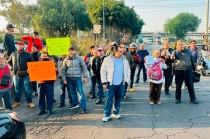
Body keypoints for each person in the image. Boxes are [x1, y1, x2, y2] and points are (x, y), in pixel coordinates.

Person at [101, 45, 130, 122]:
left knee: (118, 99)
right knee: (109, 99)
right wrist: (104, 82)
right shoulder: (107, 59)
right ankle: (107, 114)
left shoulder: (124, 60)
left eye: (122, 51)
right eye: (120, 51)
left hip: (121, 83)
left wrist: (126, 81)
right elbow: (103, 71)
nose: (122, 53)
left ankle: (116, 112)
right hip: (110, 84)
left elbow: (128, 71)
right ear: (115, 51)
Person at [8, 41, 35, 108]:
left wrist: (29, 69)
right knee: (17, 89)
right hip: (16, 75)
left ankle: (30, 102)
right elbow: (9, 62)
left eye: (21, 45)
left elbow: (32, 63)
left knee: (27, 89)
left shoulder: (28, 54)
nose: (20, 46)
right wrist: (12, 69)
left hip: (26, 75)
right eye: (19, 45)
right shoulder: (13, 54)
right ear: (17, 46)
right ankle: (17, 102)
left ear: (24, 46)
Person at [61, 46, 88, 114]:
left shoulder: (79, 58)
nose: (71, 52)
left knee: (80, 92)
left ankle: (83, 107)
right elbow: (63, 70)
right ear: (68, 52)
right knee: (72, 92)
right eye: (70, 51)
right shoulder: (66, 59)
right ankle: (75, 104)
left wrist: (85, 76)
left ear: (75, 51)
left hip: (77, 78)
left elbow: (84, 67)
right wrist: (64, 79)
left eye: (72, 51)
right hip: (69, 79)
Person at [171, 40, 198, 104]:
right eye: (179, 44)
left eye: (182, 44)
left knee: (190, 86)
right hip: (179, 71)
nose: (181, 45)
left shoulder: (189, 51)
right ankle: (178, 99)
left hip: (188, 70)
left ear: (184, 45)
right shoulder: (175, 52)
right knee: (178, 86)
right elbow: (172, 59)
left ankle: (193, 99)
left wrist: (195, 69)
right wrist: (171, 58)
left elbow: (192, 61)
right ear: (177, 45)